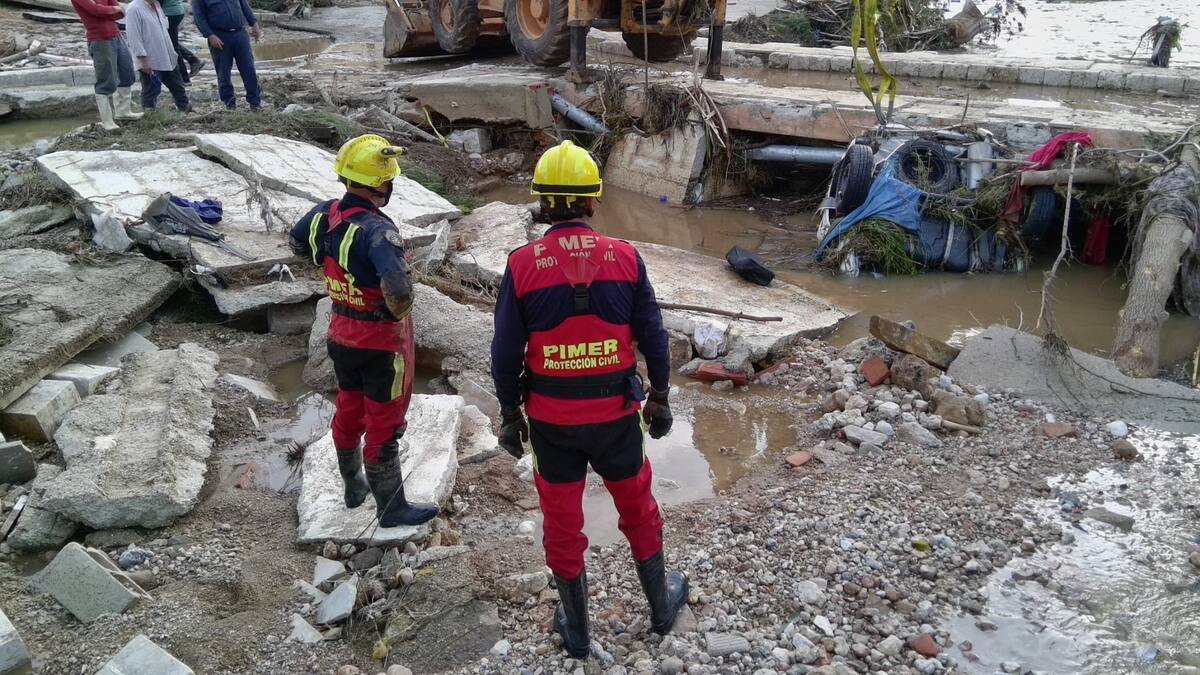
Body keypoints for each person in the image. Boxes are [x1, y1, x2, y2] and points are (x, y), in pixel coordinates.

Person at [490, 140, 686, 657]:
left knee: (561, 519)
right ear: (592, 201)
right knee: (637, 507)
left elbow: (505, 352)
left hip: (552, 425)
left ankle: (577, 633)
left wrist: (510, 416)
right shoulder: (624, 257)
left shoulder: (522, 265)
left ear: (543, 202)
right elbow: (653, 334)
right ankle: (661, 609)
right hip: (617, 419)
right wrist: (660, 397)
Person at [288, 134, 438, 529]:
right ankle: (392, 510)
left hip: (340, 332)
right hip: (382, 344)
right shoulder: (377, 231)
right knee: (384, 422)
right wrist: (388, 309)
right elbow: (400, 294)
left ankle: (354, 487)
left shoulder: (323, 214)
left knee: (349, 410)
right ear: (381, 184)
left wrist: (339, 280)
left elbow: (297, 245)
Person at [70, 0, 141, 130]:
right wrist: (112, 9)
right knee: (106, 80)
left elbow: (119, 12)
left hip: (116, 35)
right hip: (99, 39)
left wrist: (109, 10)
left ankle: (123, 112)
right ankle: (107, 121)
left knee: (127, 73)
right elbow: (96, 10)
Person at [192, 0, 262, 110]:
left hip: (240, 34)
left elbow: (244, 6)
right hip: (219, 36)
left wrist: (254, 23)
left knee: (249, 69)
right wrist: (210, 35)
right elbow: (198, 17)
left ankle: (255, 103)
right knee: (223, 72)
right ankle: (229, 104)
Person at [124, 0, 191, 112]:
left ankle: (185, 109)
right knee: (151, 89)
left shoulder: (156, 5)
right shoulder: (134, 9)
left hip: (166, 55)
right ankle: (149, 115)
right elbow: (134, 37)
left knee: (177, 86)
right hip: (149, 58)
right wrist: (143, 60)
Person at [161, 0, 204, 85]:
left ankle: (184, 78)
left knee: (172, 45)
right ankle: (192, 60)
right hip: (175, 11)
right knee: (170, 42)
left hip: (169, 13)